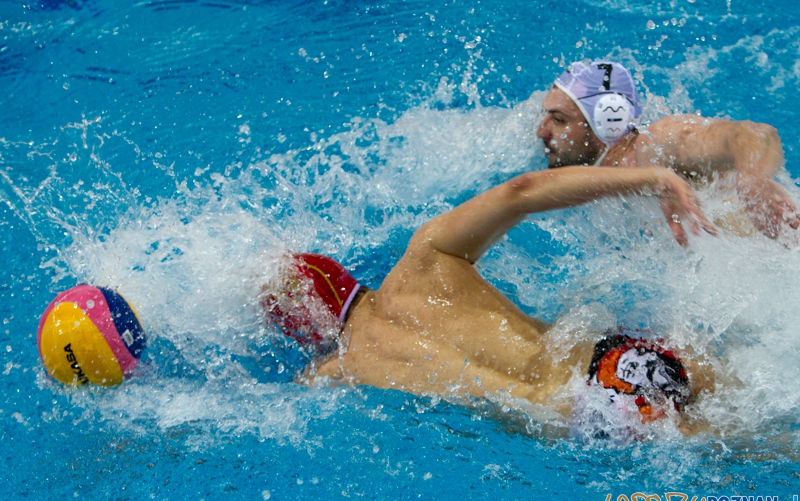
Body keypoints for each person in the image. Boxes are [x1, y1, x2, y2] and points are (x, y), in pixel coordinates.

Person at [262, 166, 717, 430]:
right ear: (341, 274)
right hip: (611, 363)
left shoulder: (334, 373)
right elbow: (521, 192)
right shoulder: (426, 259)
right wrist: (653, 176)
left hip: (585, 418)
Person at [535, 60, 800, 239]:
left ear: (607, 123)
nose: (542, 132)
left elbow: (756, 134)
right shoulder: (604, 172)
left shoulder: (658, 145)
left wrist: (752, 181)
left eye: (559, 120)